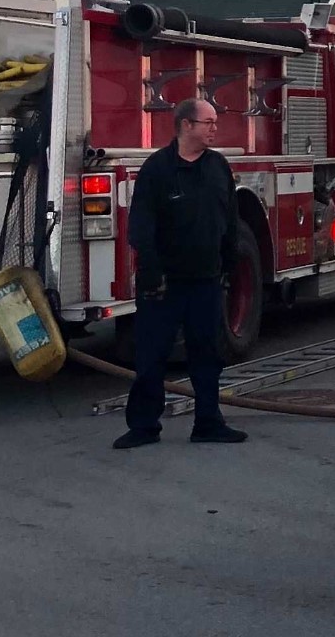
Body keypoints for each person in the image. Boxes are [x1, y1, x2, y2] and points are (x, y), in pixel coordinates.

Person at [114, 98, 248, 449]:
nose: (214, 129)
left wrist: (229, 264)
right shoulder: (157, 169)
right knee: (152, 355)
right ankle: (143, 427)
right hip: (164, 283)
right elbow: (141, 225)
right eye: (208, 122)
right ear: (186, 125)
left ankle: (208, 422)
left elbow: (230, 219)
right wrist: (150, 271)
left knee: (207, 354)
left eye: (215, 122)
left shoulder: (218, 166)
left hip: (205, 280)